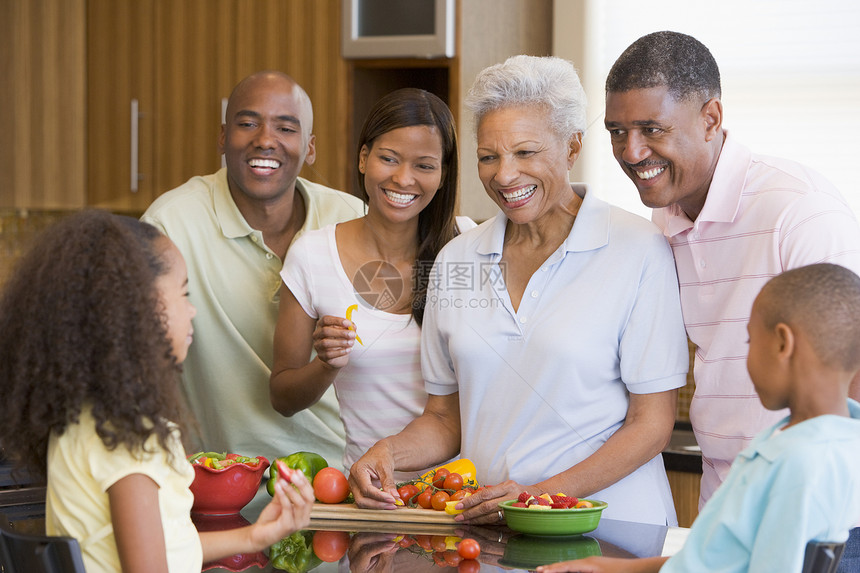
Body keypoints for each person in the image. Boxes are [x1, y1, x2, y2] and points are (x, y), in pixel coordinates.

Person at [348, 55, 689, 526]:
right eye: (489, 157)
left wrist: (536, 497)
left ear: (572, 147)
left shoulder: (638, 249)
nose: (504, 176)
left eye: (525, 152)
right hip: (493, 533)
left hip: (611, 529)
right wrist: (387, 451)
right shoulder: (454, 260)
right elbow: (446, 420)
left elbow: (651, 425)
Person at [603, 30, 860, 568]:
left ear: (711, 119)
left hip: (822, 520)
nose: (632, 152)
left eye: (652, 129)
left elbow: (850, 358)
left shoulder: (797, 207)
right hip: (734, 497)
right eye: (617, 131)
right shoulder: (665, 219)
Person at [0, 210, 315, 572]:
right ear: (135, 312)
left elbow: (163, 546)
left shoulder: (83, 418)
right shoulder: (129, 436)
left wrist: (255, 537)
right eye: (182, 293)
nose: (192, 310)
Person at [538, 263, 860, 573]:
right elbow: (716, 560)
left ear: (782, 343)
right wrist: (623, 568)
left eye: (750, 340)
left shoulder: (798, 463)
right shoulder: (820, 440)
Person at [141, 71, 365, 473]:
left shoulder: (353, 219)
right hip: (223, 493)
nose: (265, 139)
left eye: (285, 127)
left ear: (309, 147)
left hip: (345, 487)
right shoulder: (171, 225)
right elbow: (133, 365)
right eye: (247, 123)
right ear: (222, 137)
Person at [270, 88, 473, 479]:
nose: (404, 179)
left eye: (425, 166)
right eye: (389, 159)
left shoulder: (466, 244)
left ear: (444, 173)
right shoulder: (313, 256)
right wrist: (327, 365)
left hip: (462, 493)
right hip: (369, 494)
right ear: (364, 159)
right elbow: (283, 396)